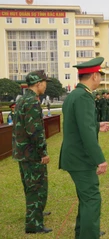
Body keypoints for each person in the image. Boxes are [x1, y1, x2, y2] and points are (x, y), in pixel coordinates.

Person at [59, 57, 109, 238]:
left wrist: (97, 125)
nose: (100, 80)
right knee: (92, 199)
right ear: (95, 76)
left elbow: (79, 124)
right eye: (100, 76)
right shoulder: (83, 96)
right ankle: (89, 234)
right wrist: (100, 159)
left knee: (86, 198)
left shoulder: (74, 94)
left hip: (75, 156)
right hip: (81, 158)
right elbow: (86, 132)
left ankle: (85, 232)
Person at [12, 70, 52, 234]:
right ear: (38, 83)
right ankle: (33, 224)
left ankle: (36, 212)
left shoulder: (22, 99)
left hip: (23, 152)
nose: (45, 85)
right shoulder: (32, 103)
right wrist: (43, 152)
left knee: (31, 186)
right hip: (32, 153)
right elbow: (35, 131)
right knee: (37, 187)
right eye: (44, 82)